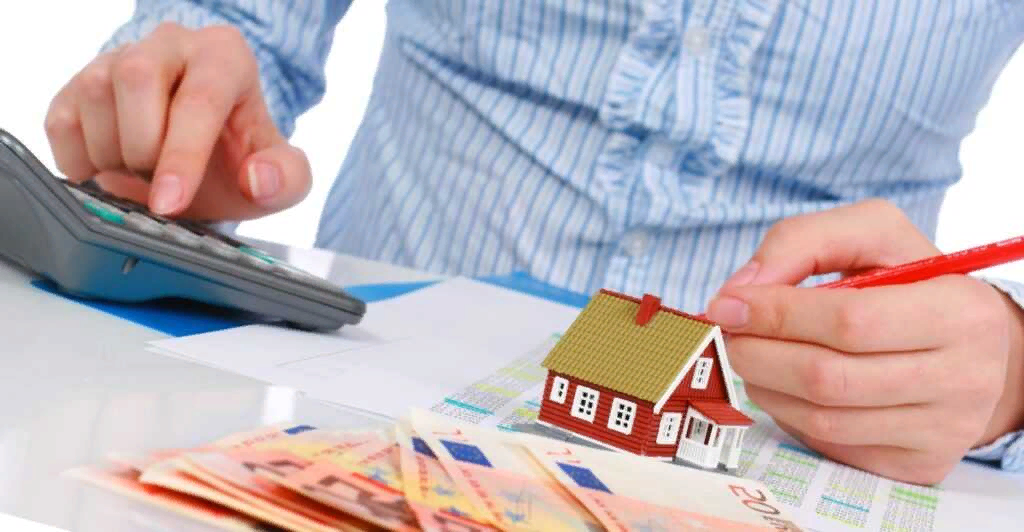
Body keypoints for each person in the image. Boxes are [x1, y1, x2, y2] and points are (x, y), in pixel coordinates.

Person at [44, 1, 1024, 484]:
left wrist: (1015, 372)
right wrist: (171, 112)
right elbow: (236, 21)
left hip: (812, 453)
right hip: (353, 420)